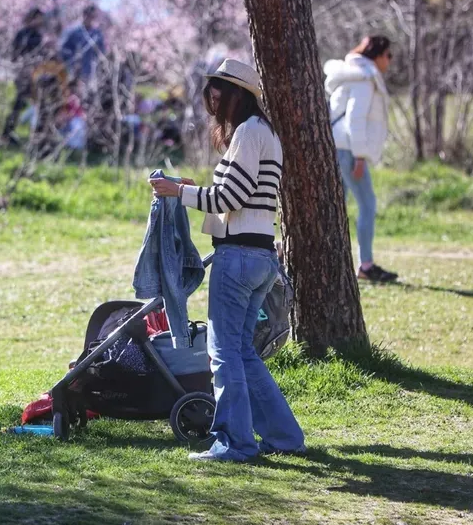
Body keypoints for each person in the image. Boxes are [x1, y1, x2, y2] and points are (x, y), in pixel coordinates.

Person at [149, 59, 305, 462]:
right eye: (212, 87)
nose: (214, 95)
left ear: (240, 95)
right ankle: (284, 437)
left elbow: (227, 200)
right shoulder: (261, 133)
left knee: (223, 353)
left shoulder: (249, 134)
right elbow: (238, 196)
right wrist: (187, 188)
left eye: (221, 87)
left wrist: (176, 193)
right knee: (243, 352)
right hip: (259, 257)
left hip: (237, 258)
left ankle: (235, 442)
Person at [324, 35, 395, 283]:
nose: (390, 60)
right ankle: (366, 265)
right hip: (350, 150)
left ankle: (330, 263)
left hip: (339, 147)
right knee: (367, 204)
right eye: (388, 55)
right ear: (377, 55)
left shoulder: (353, 75)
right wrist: (361, 155)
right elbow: (355, 118)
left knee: (336, 208)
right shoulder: (365, 79)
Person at [3, 8, 46, 141]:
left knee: (39, 104)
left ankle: (37, 134)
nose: (40, 21)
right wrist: (22, 68)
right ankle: (7, 132)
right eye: (38, 18)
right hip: (23, 74)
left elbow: (40, 55)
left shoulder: (38, 35)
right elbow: (15, 54)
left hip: (35, 74)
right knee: (19, 103)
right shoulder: (23, 34)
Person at [59, 4, 105, 91]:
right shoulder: (72, 31)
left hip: (89, 71)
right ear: (84, 15)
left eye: (93, 16)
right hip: (71, 69)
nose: (90, 19)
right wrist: (73, 58)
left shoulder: (97, 34)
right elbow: (62, 49)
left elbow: (101, 52)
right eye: (89, 16)